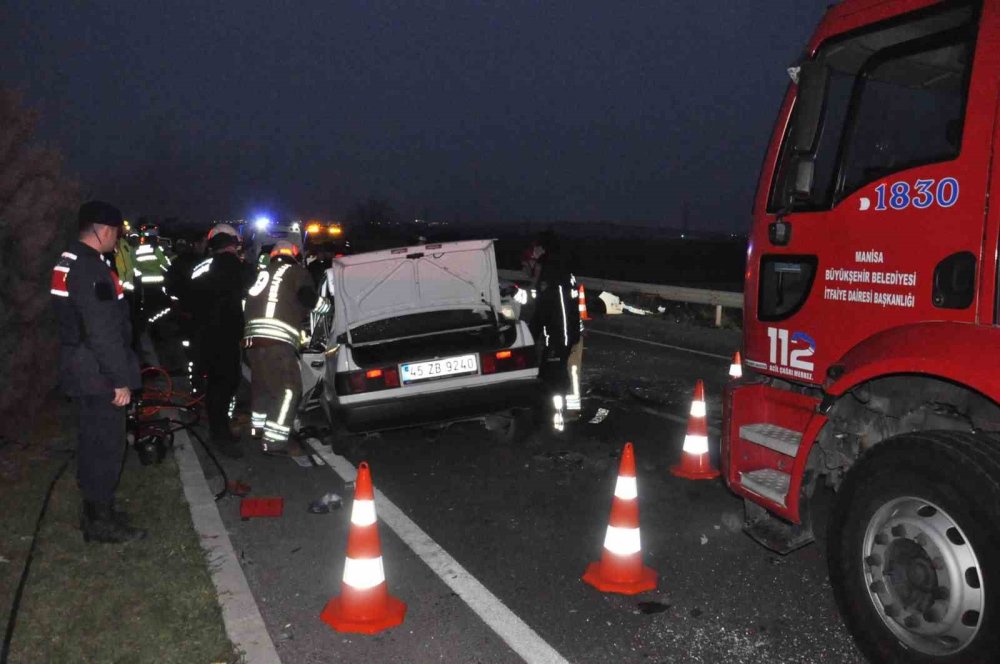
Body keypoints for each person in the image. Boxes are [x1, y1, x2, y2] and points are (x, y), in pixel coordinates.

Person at [50, 201, 147, 543]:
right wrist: (119, 379)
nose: (117, 240)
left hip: (82, 366)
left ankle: (97, 509)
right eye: (116, 234)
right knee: (105, 447)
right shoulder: (91, 269)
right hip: (97, 372)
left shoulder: (69, 259)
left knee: (93, 442)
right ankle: (100, 521)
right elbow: (102, 330)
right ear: (103, 231)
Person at [243, 240, 318, 454]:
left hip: (252, 342)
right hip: (276, 342)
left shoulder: (262, 273)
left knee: (263, 386)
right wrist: (326, 306)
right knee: (288, 390)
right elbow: (307, 298)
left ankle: (258, 429)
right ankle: (274, 442)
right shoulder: (297, 272)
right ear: (294, 255)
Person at [190, 224, 249, 458]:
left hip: (202, 333)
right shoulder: (237, 267)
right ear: (233, 244)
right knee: (225, 385)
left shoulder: (201, 267)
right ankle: (220, 435)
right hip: (226, 336)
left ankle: (219, 429)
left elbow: (188, 295)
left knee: (215, 384)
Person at [529, 248, 581, 432]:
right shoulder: (564, 272)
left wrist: (531, 336)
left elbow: (546, 310)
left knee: (553, 375)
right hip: (568, 335)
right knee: (562, 373)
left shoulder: (551, 276)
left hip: (560, 337)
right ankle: (564, 412)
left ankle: (557, 415)